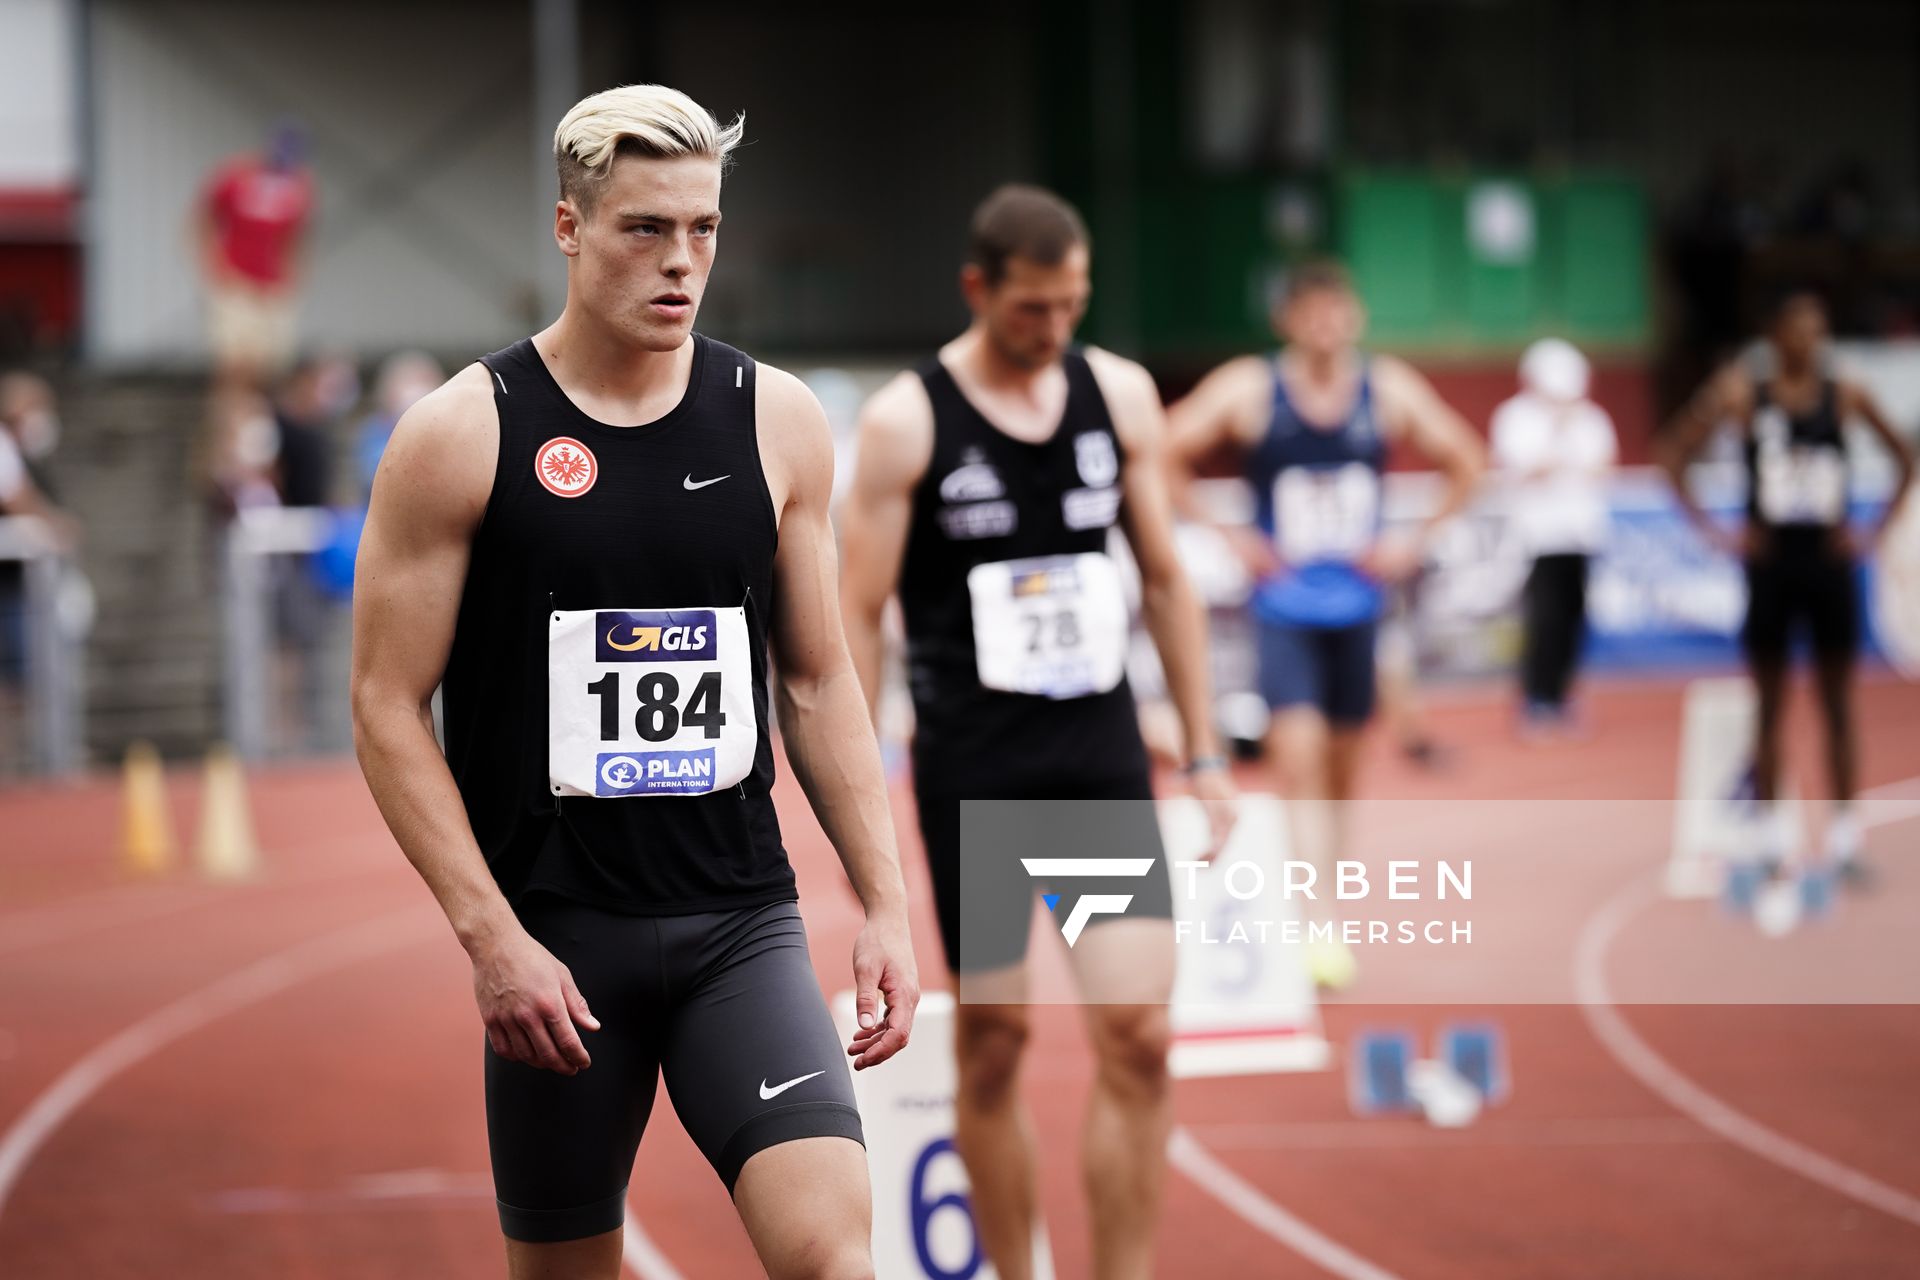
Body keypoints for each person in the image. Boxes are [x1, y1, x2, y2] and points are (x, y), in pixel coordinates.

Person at [351, 84, 917, 1280]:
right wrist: (491, 937)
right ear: (569, 228)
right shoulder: (463, 433)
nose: (682, 262)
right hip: (556, 948)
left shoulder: (778, 421)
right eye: (645, 229)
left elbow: (816, 681)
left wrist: (886, 900)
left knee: (836, 1258)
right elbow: (386, 706)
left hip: (740, 927)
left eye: (703, 229)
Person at [839, 183, 1235, 1280]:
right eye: (1032, 309)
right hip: (979, 770)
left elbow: (1164, 575)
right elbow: (851, 616)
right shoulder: (908, 420)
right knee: (998, 1041)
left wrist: (1201, 750)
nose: (1055, 330)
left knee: (1141, 1040)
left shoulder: (1120, 395)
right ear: (979, 289)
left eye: (1073, 304)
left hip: (1097, 760)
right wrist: (859, 784)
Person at [1168, 260, 1483, 989]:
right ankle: (1310, 922)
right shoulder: (1250, 389)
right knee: (1298, 755)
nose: (1325, 325)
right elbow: (1160, 450)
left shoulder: (1388, 390)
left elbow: (1467, 458)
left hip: (1360, 606)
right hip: (1283, 608)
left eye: (1336, 311)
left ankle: (1326, 907)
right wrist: (1227, 533)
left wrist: (1415, 537)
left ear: (1355, 316)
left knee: (1342, 765)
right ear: (1286, 321)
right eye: (1309, 312)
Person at [1661, 292, 1914, 884]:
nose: (1809, 341)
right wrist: (1716, 532)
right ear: (1775, 338)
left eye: (1818, 330)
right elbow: (1672, 452)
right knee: (1769, 707)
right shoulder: (1743, 395)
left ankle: (1846, 840)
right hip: (1770, 568)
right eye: (1798, 330)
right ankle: (1773, 839)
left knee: (1838, 704)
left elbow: (1904, 457)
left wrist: (1872, 530)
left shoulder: (1845, 393)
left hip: (1829, 566)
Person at [1491, 337, 1618, 736]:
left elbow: (1603, 465)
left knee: (1574, 616)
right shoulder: (1515, 417)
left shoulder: (1591, 418)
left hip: (1581, 534)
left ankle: (1563, 693)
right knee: (1543, 618)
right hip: (1539, 537)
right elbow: (1523, 468)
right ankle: (1536, 697)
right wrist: (1556, 437)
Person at [196, 122, 314, 391]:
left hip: (272, 286)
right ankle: (230, 427)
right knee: (235, 363)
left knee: (270, 364)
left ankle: (260, 426)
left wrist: (293, 276)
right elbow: (203, 219)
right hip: (237, 281)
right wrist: (214, 266)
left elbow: (299, 236)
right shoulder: (236, 177)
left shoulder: (298, 186)